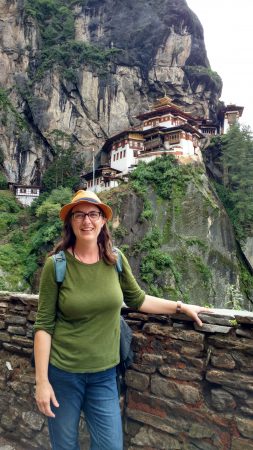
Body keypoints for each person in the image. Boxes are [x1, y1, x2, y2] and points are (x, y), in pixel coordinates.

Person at [34, 189, 210, 450]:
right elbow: (44, 325)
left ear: (103, 220)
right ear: (70, 221)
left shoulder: (115, 260)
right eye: (79, 215)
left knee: (110, 446)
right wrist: (42, 382)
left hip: (104, 375)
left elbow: (138, 299)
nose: (87, 221)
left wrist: (180, 307)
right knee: (64, 445)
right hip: (63, 374)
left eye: (93, 214)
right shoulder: (56, 265)